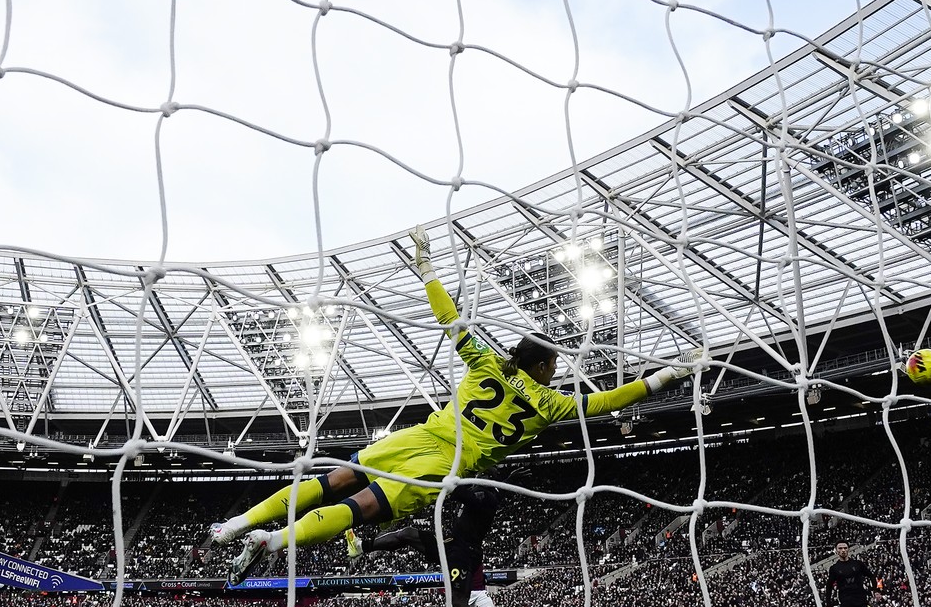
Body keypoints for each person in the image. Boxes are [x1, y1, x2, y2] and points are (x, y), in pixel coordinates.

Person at [212, 226, 701, 585]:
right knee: (359, 508)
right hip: (444, 462)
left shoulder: (486, 362)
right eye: (553, 364)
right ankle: (272, 541)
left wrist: (425, 268)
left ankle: (241, 523)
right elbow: (609, 401)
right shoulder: (550, 403)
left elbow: (449, 317)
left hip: (417, 435)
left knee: (330, 479)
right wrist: (666, 375)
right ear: (545, 367)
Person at [349, 479, 504, 607]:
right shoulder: (490, 494)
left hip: (463, 552)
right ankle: (361, 546)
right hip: (452, 545)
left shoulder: (484, 498)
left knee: (459, 602)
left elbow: (456, 490)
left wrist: (442, 475)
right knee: (408, 534)